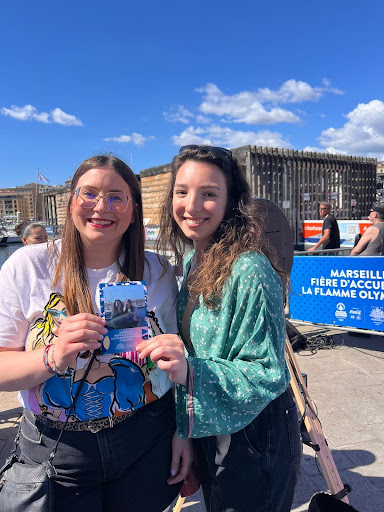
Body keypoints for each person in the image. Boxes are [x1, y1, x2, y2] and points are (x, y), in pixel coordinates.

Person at [0, 155, 192, 512]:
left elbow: (179, 363)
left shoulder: (158, 270)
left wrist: (185, 433)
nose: (102, 206)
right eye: (88, 193)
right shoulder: (27, 266)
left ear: (133, 211)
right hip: (57, 450)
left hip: (147, 437)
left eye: (117, 197)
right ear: (71, 202)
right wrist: (52, 356)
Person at [138, 145, 301, 512]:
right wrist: (185, 430)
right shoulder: (197, 258)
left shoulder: (249, 269)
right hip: (215, 423)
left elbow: (267, 372)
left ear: (232, 201)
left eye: (208, 194)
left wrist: (189, 371)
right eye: (182, 192)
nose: (192, 206)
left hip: (255, 435)